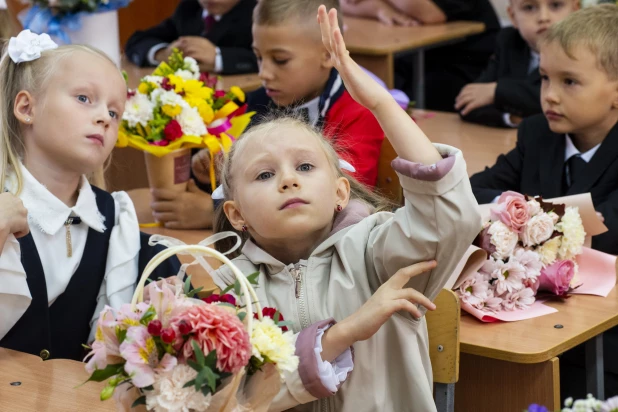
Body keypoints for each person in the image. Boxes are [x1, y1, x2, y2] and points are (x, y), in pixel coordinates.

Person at [209, 6, 481, 411]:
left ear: (341, 193)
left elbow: (449, 217)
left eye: (304, 166)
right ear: (236, 215)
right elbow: (231, 399)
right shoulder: (226, 286)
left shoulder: (377, 252)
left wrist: (379, 102)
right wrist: (342, 334)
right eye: (264, 175)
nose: (288, 179)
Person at [0, 30, 179, 361]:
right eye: (84, 98)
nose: (104, 118)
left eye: (114, 112)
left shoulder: (116, 221)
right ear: (27, 107)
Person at [470, 4, 618, 256]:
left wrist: (516, 216)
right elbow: (472, 192)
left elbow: (608, 237)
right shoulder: (537, 132)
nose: (549, 96)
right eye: (545, 78)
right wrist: (520, 209)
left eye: (569, 81)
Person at [245, 0, 385, 188]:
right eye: (259, 57)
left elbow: (342, 190)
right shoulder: (257, 102)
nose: (264, 73)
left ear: (328, 54)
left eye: (280, 60)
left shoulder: (359, 114)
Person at [456, 0, 579, 128]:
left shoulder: (584, 51)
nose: (543, 17)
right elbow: (469, 102)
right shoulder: (507, 42)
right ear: (513, 16)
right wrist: (511, 118)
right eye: (529, 8)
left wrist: (498, 92)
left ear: (575, 10)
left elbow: (570, 101)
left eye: (555, 5)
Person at [125, 0, 258, 74]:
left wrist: (218, 57)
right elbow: (137, 40)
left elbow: (268, 60)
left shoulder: (257, 14)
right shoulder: (189, 7)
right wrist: (162, 53)